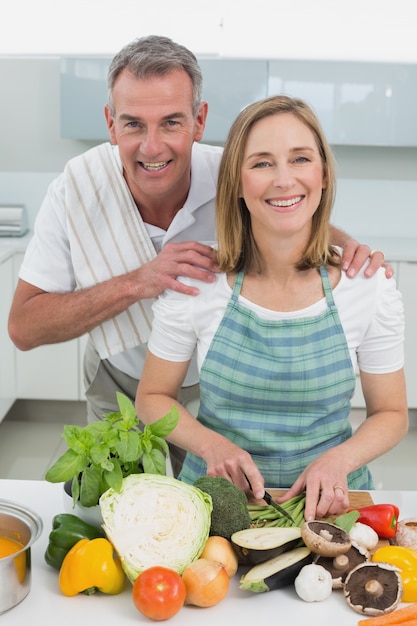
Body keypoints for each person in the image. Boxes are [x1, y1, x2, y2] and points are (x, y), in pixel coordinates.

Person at [8, 36, 390, 479]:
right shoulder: (75, 191)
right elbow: (23, 328)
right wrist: (141, 281)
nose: (152, 147)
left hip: (222, 390)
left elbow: (294, 209)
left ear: (199, 120)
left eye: (171, 122)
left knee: (209, 518)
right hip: (125, 379)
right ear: (110, 124)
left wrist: (346, 247)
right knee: (128, 515)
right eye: (133, 124)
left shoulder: (235, 173)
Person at [136, 94, 408, 520]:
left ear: (322, 175)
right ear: (238, 185)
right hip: (215, 504)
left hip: (332, 506)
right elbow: (152, 397)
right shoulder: (199, 282)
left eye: (300, 159)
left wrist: (338, 460)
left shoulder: (367, 286)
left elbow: (391, 413)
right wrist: (212, 445)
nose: (284, 179)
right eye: (262, 163)